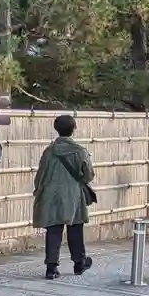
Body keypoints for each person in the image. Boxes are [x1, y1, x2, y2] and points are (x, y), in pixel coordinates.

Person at [32, 113, 96, 280]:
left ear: (56, 129)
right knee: (75, 227)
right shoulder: (79, 151)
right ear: (73, 129)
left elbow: (40, 176)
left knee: (53, 230)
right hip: (73, 195)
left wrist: (39, 191)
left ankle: (51, 267)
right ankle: (79, 263)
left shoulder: (49, 151)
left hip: (51, 196)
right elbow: (88, 175)